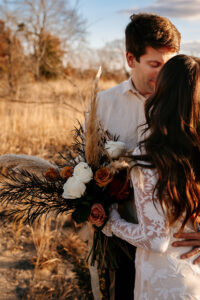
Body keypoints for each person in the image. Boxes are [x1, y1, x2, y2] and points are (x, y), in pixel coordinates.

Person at [96, 13, 181, 300]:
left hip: (181, 241)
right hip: (124, 234)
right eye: (155, 64)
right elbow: (91, 164)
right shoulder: (103, 104)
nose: (164, 74)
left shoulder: (190, 105)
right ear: (131, 59)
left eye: (170, 65)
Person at [103, 54, 200, 300]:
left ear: (163, 93)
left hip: (166, 281)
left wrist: (111, 222)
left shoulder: (148, 154)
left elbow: (156, 240)